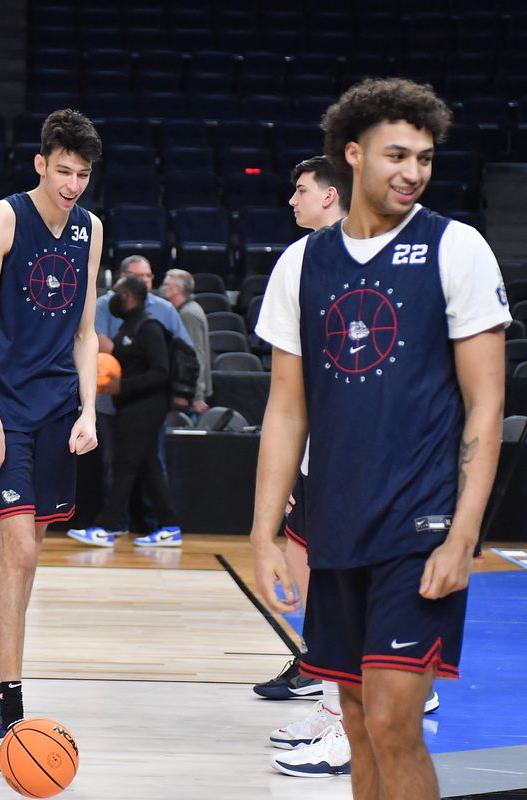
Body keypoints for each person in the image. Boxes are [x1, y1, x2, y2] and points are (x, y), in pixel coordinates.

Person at [251, 78, 509, 794]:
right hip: (334, 527)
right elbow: (285, 410)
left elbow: (485, 409)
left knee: (394, 719)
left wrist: (462, 537)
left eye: (425, 158)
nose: (413, 172)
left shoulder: (457, 249)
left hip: (419, 526)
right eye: (398, 155)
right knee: (358, 718)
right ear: (353, 156)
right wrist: (265, 532)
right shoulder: (301, 265)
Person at [0, 108, 102, 756]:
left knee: (27, 557)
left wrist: (89, 411)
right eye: (64, 170)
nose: (73, 185)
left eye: (83, 174)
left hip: (58, 411)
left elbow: (83, 333)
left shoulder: (91, 229)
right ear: (41, 163)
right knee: (18, 551)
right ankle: (12, 713)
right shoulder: (3, 217)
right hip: (7, 412)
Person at [253, 155, 348, 704]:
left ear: (331, 194)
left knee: (337, 568)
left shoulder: (309, 258)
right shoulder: (303, 259)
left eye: (301, 189)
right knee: (306, 554)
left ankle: (381, 676)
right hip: (317, 442)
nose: (292, 200)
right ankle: (321, 664)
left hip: (351, 445)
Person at [68, 253, 192, 548]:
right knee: (147, 466)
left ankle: (106, 527)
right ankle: (170, 526)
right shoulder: (129, 325)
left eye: (119, 294)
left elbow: (161, 372)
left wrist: (120, 386)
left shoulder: (147, 327)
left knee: (124, 466)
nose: (114, 300)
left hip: (146, 407)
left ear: (131, 296)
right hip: (131, 407)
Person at [159, 268, 211, 415]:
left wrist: (197, 395)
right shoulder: (185, 310)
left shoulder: (188, 314)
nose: (162, 288)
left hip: (190, 395)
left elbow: (196, 355)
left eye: (166, 285)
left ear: (177, 289)